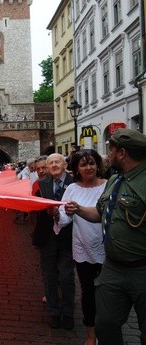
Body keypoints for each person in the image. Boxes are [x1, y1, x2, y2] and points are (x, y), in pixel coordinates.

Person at [65, 129, 146, 345]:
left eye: (109, 149)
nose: (107, 155)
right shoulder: (115, 181)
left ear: (121, 153)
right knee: (105, 324)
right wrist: (79, 208)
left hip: (142, 269)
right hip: (113, 267)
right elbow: (100, 214)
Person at [56, 150, 106, 345]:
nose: (88, 168)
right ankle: (90, 334)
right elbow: (64, 218)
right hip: (83, 247)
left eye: (92, 163)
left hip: (106, 248)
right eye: (84, 165)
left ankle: (107, 329)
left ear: (98, 165)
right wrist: (56, 214)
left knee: (107, 293)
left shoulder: (107, 186)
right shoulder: (72, 189)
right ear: (77, 169)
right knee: (88, 292)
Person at [32, 153, 75, 330]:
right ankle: (54, 311)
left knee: (66, 276)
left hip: (68, 236)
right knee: (49, 275)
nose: (54, 165)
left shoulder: (74, 183)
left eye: (57, 162)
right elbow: (33, 206)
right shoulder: (41, 184)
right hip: (47, 236)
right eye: (50, 163)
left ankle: (69, 312)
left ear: (64, 164)